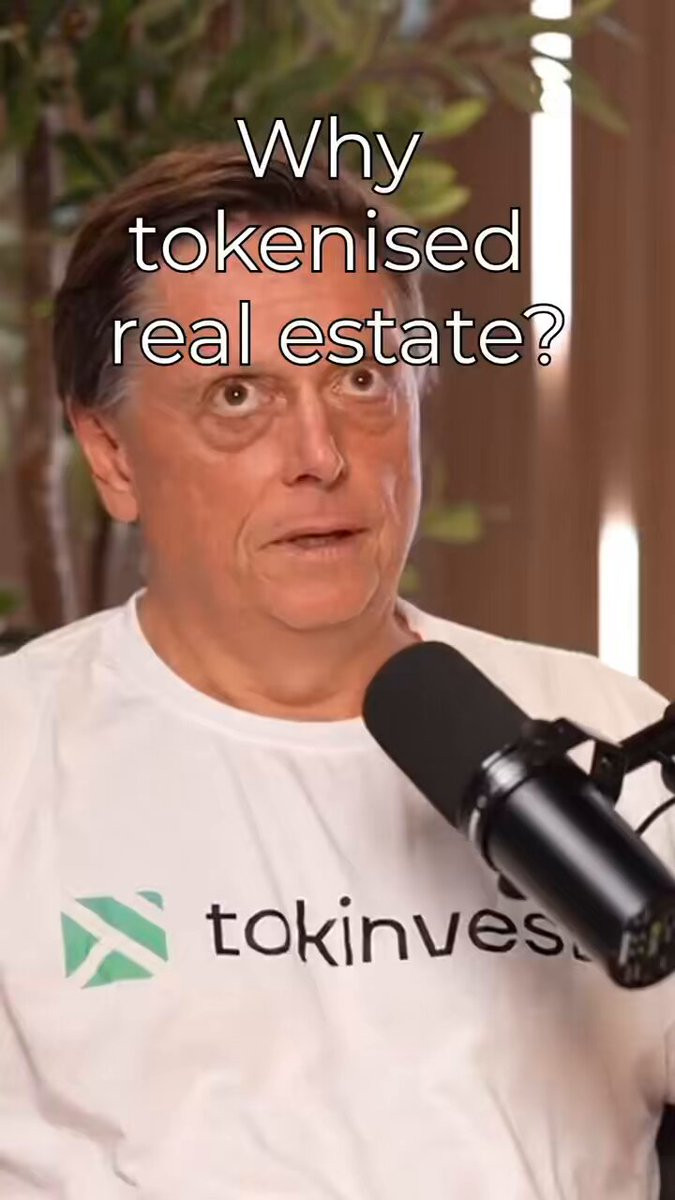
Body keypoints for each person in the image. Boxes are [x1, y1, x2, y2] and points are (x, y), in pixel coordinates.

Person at [0, 143, 673, 1200]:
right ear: (113, 457)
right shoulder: (21, 760)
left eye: (361, 380)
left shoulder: (607, 731)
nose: (320, 455)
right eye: (238, 394)